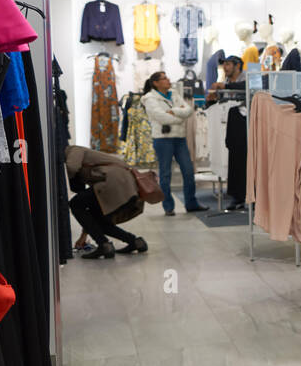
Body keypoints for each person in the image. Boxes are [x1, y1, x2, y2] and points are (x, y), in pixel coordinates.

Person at [64, 145, 148, 259]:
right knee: (100, 221)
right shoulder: (88, 155)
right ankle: (135, 242)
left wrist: (60, 179)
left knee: (75, 204)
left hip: (114, 183)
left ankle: (103, 245)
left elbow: (72, 167)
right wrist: (83, 235)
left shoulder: (73, 150)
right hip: (122, 185)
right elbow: (89, 219)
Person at [142, 71, 206, 215]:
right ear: (156, 83)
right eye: (164, 78)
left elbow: (189, 110)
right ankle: (168, 207)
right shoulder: (150, 98)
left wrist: (173, 111)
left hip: (179, 138)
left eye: (167, 77)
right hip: (162, 139)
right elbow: (161, 117)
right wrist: (180, 117)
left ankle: (191, 203)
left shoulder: (174, 93)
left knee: (188, 171)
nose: (168, 80)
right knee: (165, 174)